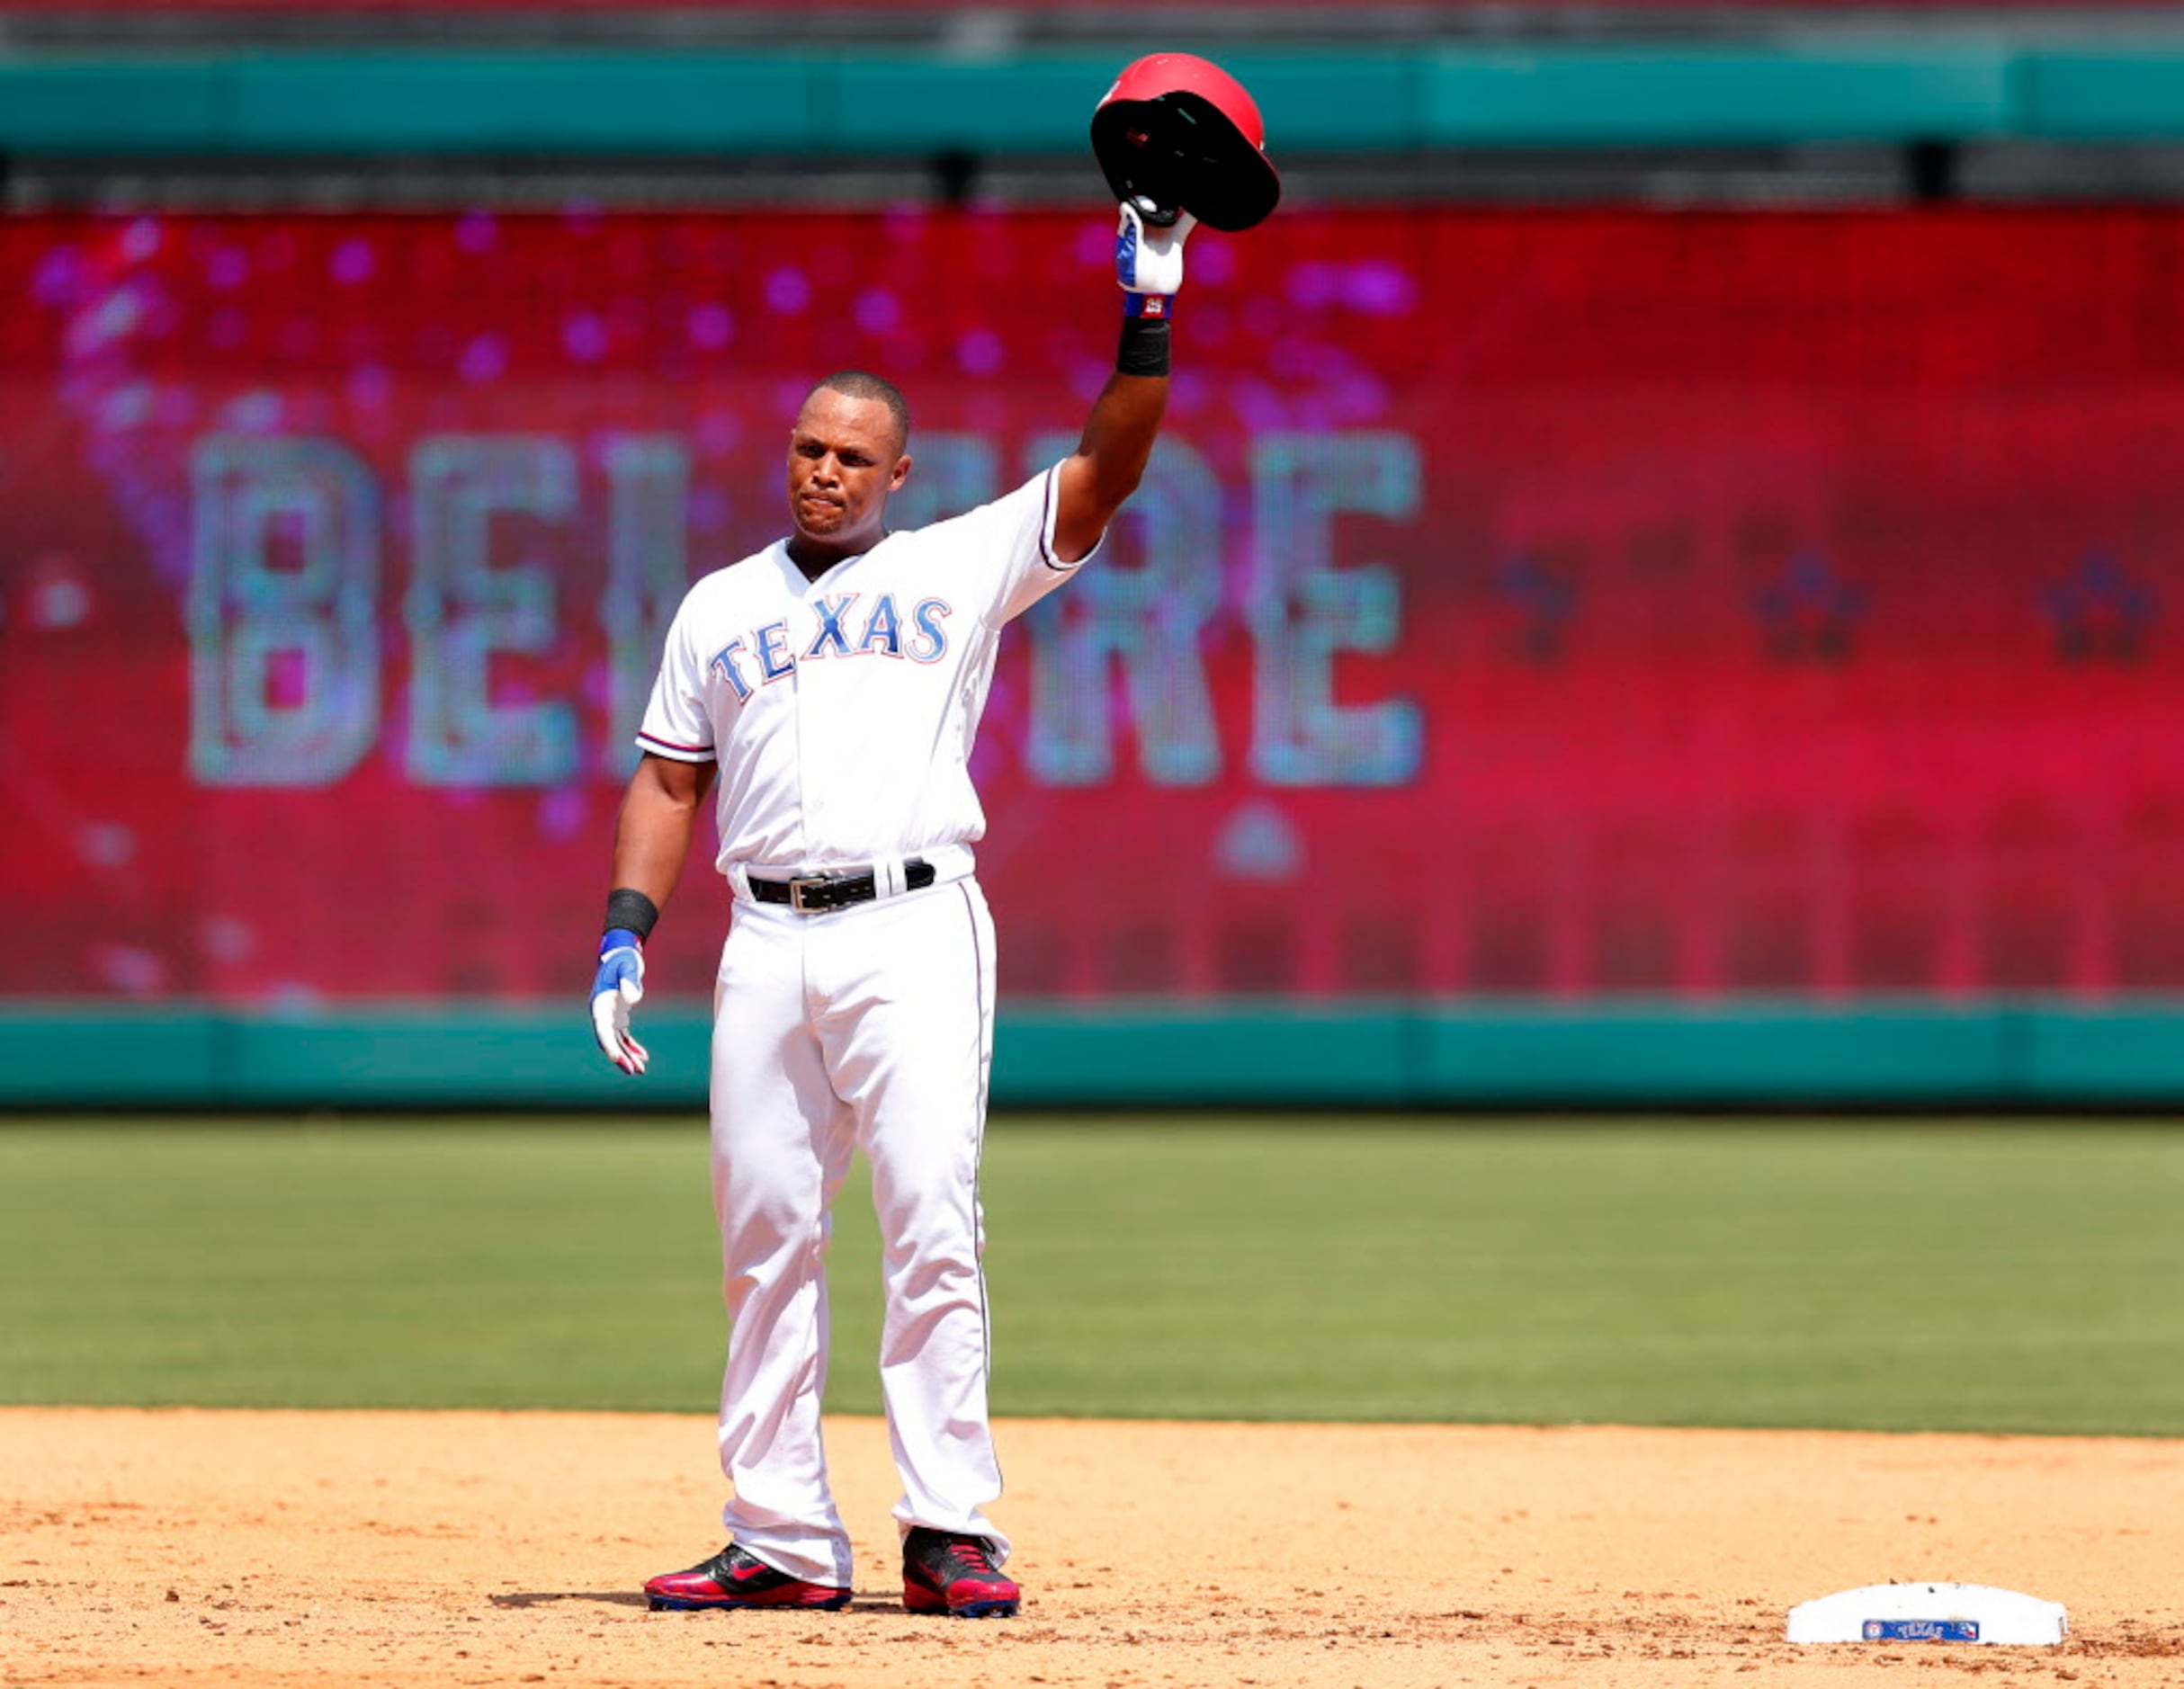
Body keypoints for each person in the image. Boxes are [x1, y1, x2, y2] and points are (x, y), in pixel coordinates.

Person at [588, 200, 1196, 1619]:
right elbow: (668, 781)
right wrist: (626, 926)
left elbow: (1107, 467)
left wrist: (1149, 309)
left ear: (897, 472)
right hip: (765, 939)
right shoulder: (716, 607)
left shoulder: (953, 561)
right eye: (808, 447)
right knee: (763, 1231)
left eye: (853, 456)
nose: (824, 472)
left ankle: (947, 1526)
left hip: (916, 926)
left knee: (930, 1213)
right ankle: (782, 1534)